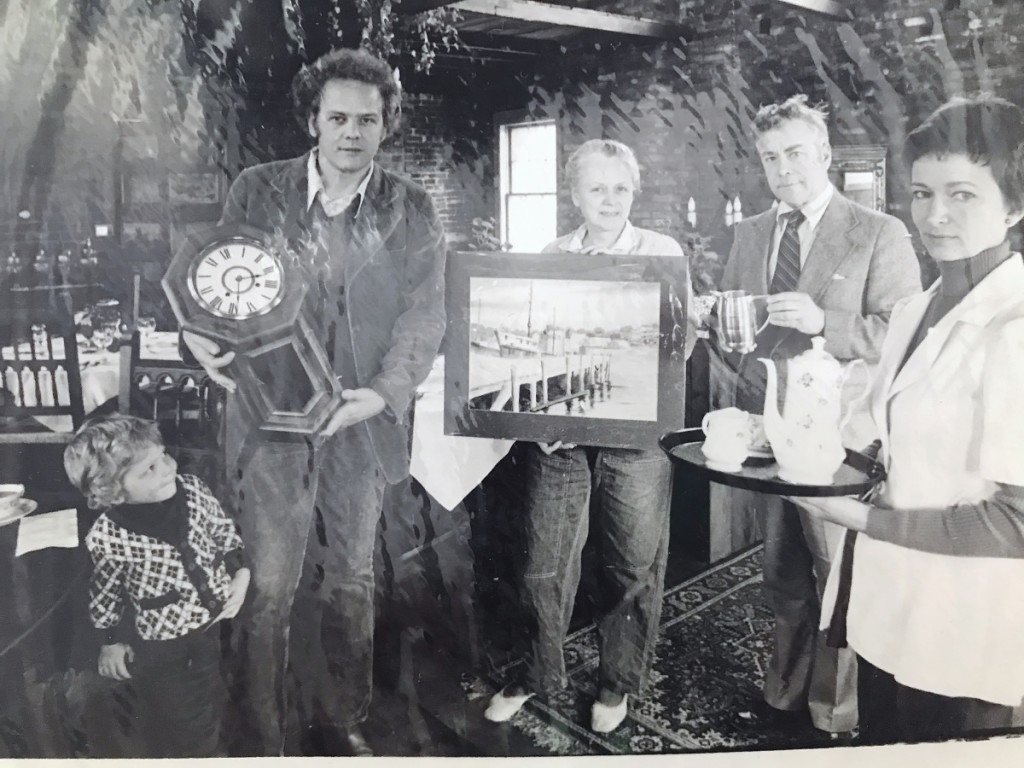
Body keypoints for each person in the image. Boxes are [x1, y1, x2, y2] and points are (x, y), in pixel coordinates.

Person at [181, 48, 447, 756]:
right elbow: (218, 285)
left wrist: (383, 395)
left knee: (351, 580)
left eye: (368, 119)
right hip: (270, 421)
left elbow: (426, 317)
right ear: (312, 121)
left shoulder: (411, 207)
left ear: (386, 125)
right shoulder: (256, 189)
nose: (352, 132)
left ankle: (343, 717)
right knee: (268, 583)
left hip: (358, 424)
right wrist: (199, 339)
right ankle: (261, 729)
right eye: (338, 117)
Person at [792, 94, 1024, 744]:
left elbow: (1016, 523)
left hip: (968, 632)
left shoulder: (1015, 329)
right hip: (890, 606)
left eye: (962, 195)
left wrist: (859, 517)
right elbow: (874, 440)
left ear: (1015, 205)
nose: (935, 215)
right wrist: (800, 462)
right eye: (922, 193)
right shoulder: (913, 310)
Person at [708, 95, 921, 736]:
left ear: (824, 154)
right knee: (782, 574)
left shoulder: (880, 231)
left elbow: (901, 334)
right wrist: (714, 322)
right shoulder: (749, 233)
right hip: (771, 428)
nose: (783, 168)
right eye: (771, 157)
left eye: (796, 153)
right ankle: (783, 698)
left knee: (839, 575)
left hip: (841, 439)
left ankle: (838, 716)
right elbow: (735, 329)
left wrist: (825, 321)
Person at [484, 139, 696, 733]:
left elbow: (682, 344)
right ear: (574, 194)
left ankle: (615, 682)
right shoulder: (553, 254)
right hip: (563, 442)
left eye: (620, 188)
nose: (609, 200)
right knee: (543, 565)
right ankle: (535, 671)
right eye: (596, 188)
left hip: (638, 442)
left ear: (635, 192)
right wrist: (544, 422)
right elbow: (538, 349)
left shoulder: (663, 252)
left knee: (632, 568)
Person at [64, 413, 250, 758]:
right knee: (184, 715)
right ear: (113, 492)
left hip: (217, 621)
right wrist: (110, 643)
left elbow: (225, 535)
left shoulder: (193, 490)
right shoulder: (108, 537)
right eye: (148, 469)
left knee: (216, 691)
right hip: (165, 642)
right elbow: (105, 597)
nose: (166, 468)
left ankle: (213, 742)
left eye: (163, 455)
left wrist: (240, 574)